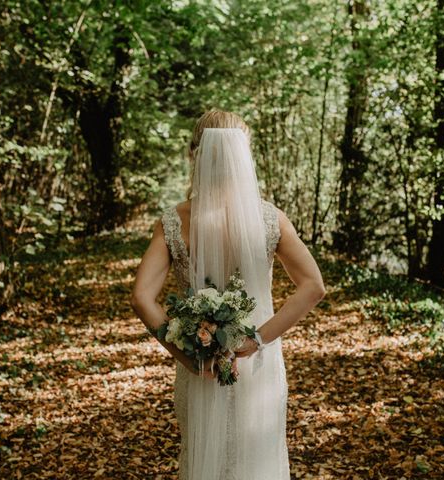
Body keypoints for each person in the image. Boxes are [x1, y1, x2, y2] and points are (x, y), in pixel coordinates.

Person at [131, 109, 325, 480]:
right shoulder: (270, 220)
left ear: (195, 156)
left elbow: (141, 297)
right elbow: (313, 286)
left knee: (205, 460)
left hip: (200, 365)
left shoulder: (174, 221)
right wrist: (256, 339)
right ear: (244, 157)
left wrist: (185, 354)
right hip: (257, 367)